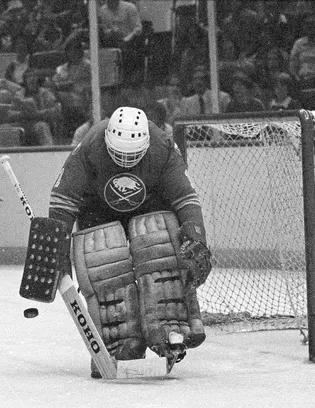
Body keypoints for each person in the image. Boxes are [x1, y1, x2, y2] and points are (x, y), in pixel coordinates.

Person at [47, 106, 212, 378]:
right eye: (119, 154)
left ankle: (168, 328)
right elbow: (63, 200)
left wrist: (195, 235)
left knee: (161, 244)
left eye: (132, 155)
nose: (125, 160)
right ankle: (119, 344)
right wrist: (59, 250)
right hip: (97, 210)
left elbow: (185, 197)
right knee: (103, 264)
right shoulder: (90, 144)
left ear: (145, 144)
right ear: (108, 141)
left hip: (149, 207)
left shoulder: (162, 146)